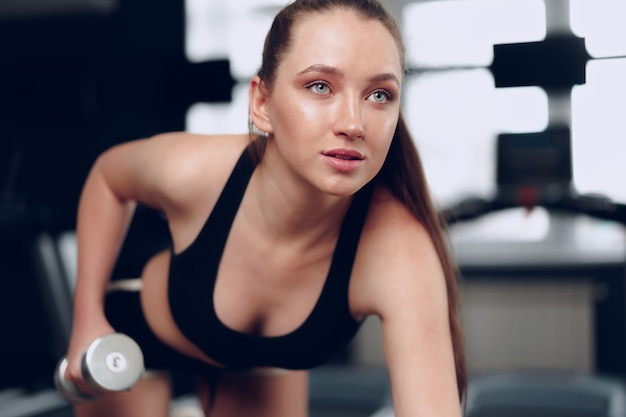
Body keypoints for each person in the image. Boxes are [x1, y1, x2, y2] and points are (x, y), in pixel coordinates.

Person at [63, 0, 467, 416]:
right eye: (320, 86)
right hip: (140, 335)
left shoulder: (400, 253)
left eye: (380, 94)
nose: (354, 123)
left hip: (258, 359)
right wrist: (86, 319)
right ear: (262, 104)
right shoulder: (197, 171)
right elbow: (108, 178)